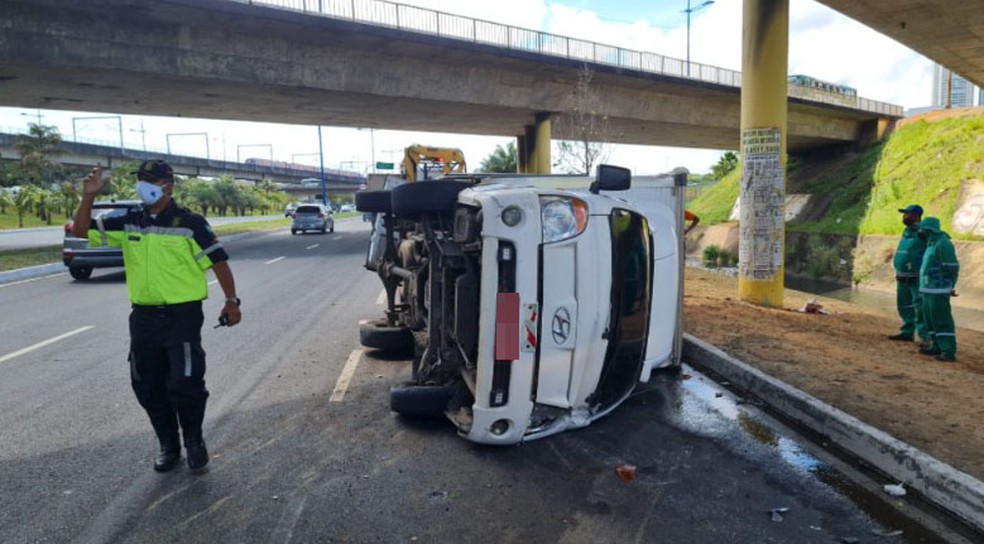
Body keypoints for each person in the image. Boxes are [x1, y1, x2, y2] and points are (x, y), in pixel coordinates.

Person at [73, 159, 242, 472]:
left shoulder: (190, 222)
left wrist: (231, 301)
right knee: (146, 384)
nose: (144, 184)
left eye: (150, 179)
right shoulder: (127, 220)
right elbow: (81, 230)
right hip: (144, 318)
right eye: (141, 178)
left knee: (185, 382)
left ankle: (194, 440)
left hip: (182, 316)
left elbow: (218, 262)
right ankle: (168, 444)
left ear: (168, 185)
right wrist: (89, 197)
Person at [917, 216, 960, 362]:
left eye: (922, 228)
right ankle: (936, 346)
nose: (920, 231)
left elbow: (952, 266)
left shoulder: (943, 243)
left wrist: (950, 285)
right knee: (930, 320)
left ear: (929, 229)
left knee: (942, 320)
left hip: (939, 289)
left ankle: (948, 351)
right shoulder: (931, 244)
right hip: (927, 289)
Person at [887, 204, 928, 344]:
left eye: (908, 214)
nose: (905, 216)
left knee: (920, 307)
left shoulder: (924, 232)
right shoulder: (907, 231)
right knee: (904, 305)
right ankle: (907, 332)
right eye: (904, 214)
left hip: (916, 277)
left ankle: (925, 338)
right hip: (902, 275)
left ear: (917, 216)